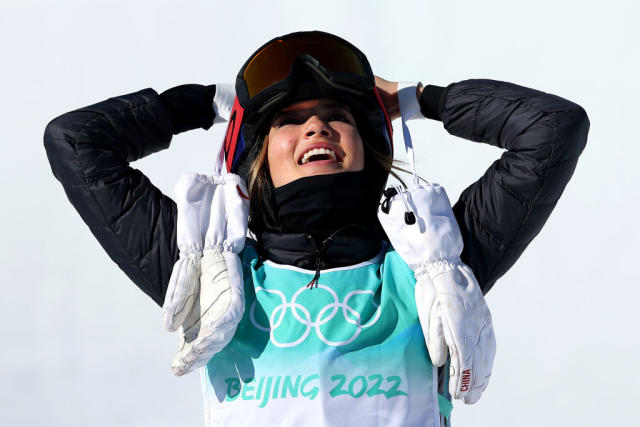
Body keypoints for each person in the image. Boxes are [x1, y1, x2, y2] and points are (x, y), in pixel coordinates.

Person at [43, 31, 590, 426]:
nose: (315, 125)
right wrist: (206, 104)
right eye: (287, 120)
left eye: (338, 114)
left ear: (368, 147)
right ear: (255, 159)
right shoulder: (210, 275)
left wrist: (417, 99)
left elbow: (553, 130)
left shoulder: (436, 267)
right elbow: (74, 142)